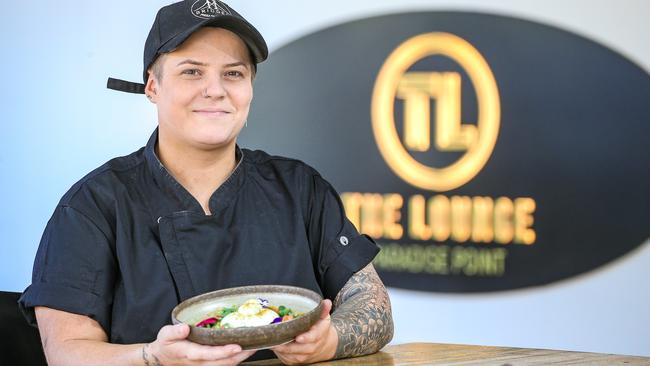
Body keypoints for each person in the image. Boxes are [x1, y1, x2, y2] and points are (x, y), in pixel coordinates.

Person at [18, 1, 393, 365]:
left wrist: (330, 341)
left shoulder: (299, 188)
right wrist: (152, 358)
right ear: (152, 86)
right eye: (192, 71)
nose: (215, 90)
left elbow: (373, 307)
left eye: (233, 73)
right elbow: (65, 351)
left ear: (250, 89)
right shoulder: (93, 206)